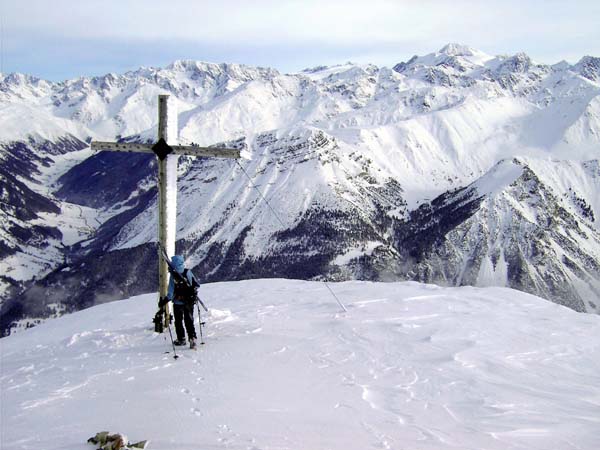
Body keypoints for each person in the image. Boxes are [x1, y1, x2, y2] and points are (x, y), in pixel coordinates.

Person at [162, 255, 200, 349]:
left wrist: (165, 300)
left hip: (178, 302)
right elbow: (195, 284)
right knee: (189, 321)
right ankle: (192, 338)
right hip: (189, 301)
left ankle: (181, 339)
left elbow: (170, 291)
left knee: (178, 321)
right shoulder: (187, 272)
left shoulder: (173, 276)